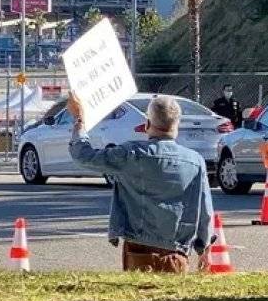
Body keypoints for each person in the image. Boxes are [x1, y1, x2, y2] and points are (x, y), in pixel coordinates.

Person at [68, 94, 215, 273]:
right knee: (173, 299)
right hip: (177, 252)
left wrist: (79, 120)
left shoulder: (131, 154)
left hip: (138, 247)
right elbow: (205, 210)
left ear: (147, 124)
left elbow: (83, 156)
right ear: (177, 124)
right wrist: (204, 249)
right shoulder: (196, 161)